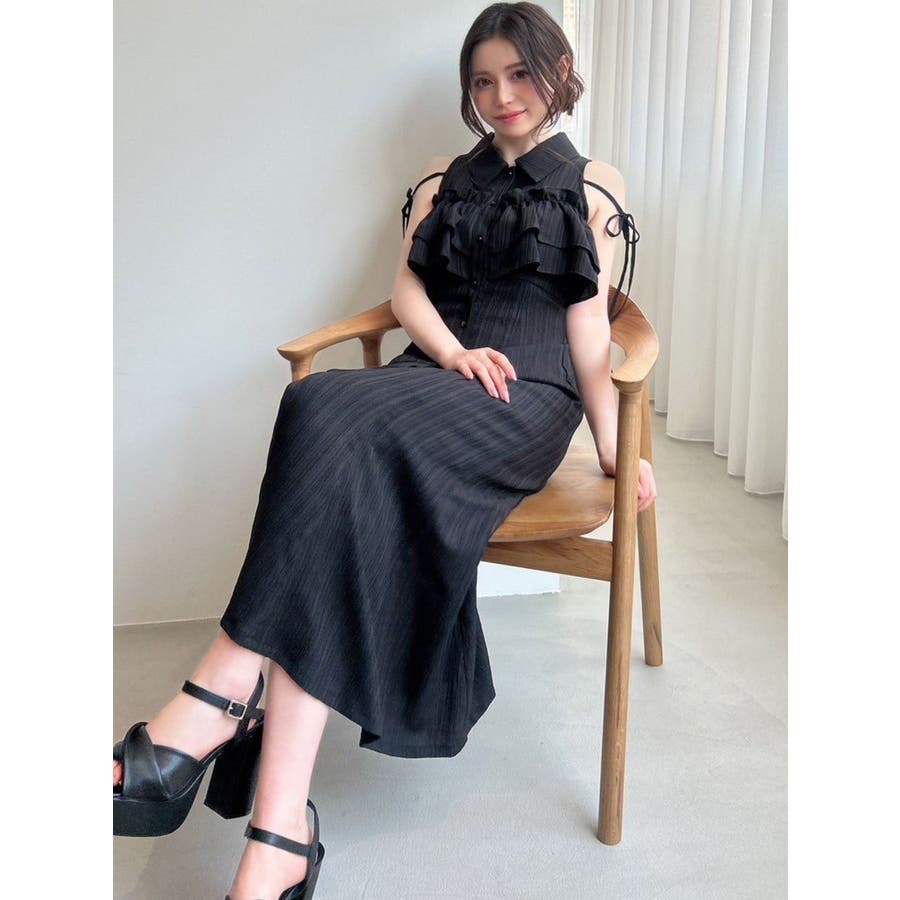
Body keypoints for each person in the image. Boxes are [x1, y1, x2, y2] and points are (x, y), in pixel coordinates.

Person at [112, 3, 658, 898]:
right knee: (323, 407)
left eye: (521, 74)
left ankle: (214, 707)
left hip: (525, 399)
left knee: (331, 422)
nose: (502, 96)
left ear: (560, 72)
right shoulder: (445, 177)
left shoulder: (593, 182)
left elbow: (590, 328)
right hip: (436, 375)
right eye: (483, 81)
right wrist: (451, 352)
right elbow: (407, 288)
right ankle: (278, 829)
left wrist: (613, 441)